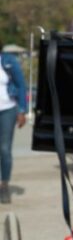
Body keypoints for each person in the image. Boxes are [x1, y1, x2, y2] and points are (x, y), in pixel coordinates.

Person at [0, 43, 28, 204]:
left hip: (7, 110)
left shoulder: (8, 60)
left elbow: (21, 85)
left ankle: (4, 185)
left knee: (4, 149)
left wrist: (22, 110)